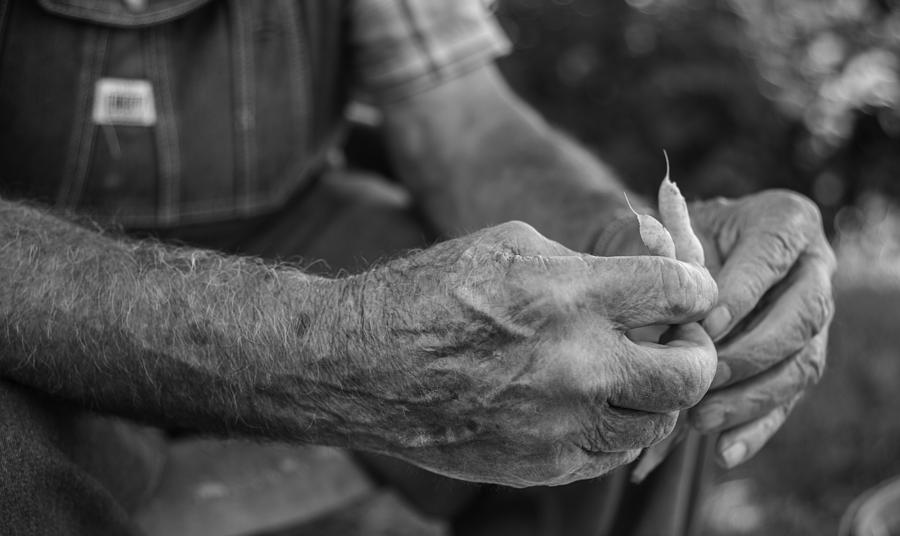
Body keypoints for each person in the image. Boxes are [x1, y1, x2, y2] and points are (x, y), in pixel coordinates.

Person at [0, 0, 835, 534]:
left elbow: (467, 126)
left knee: (632, 367)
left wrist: (613, 243)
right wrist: (330, 351)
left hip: (284, 228)